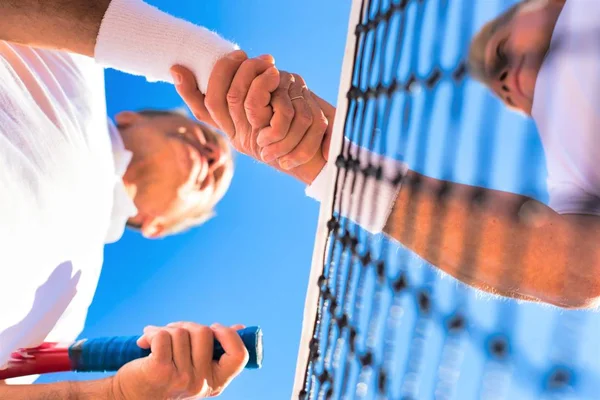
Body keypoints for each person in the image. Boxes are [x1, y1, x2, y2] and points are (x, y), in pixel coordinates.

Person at [172, 0, 600, 311]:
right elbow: (570, 265)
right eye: (503, 90)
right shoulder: (568, 152)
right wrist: (337, 168)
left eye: (501, 52)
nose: (506, 79)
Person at [0, 0, 329, 398]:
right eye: (205, 137)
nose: (215, 158)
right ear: (131, 118)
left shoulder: (68, 316)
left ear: (159, 226)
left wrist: (117, 393)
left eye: (213, 182)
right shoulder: (76, 65)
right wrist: (212, 64)